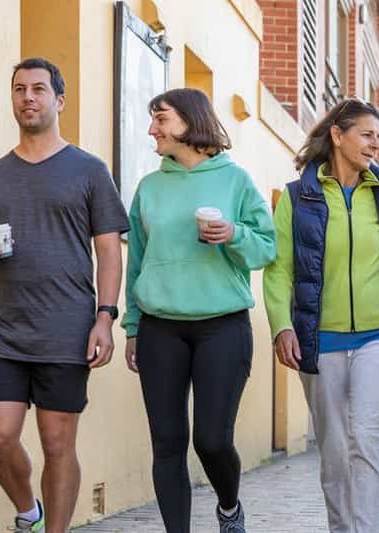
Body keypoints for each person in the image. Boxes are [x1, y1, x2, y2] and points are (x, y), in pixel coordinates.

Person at [0, 57, 129, 533]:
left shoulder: (90, 171)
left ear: (59, 100)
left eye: (37, 89)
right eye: (19, 89)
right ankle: (27, 510)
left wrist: (105, 318)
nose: (27, 97)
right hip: (2, 329)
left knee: (57, 445)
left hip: (66, 328)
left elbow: (110, 253)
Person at [121, 88, 276, 533]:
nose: (153, 129)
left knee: (212, 440)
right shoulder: (149, 187)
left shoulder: (236, 180)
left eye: (162, 119)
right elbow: (138, 261)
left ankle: (229, 507)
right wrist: (133, 326)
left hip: (221, 328)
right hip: (159, 329)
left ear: (190, 122)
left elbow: (267, 248)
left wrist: (233, 234)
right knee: (167, 443)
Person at [263, 98, 379, 533]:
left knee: (369, 444)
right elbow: (279, 270)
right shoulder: (298, 198)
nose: (375, 146)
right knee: (334, 451)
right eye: (367, 135)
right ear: (338, 135)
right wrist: (281, 326)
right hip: (323, 336)